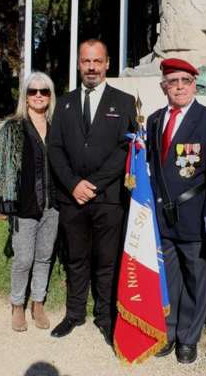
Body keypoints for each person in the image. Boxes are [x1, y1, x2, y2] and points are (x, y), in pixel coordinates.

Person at [48, 39, 137, 345]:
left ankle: (105, 316)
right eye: (86, 61)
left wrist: (94, 184)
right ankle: (74, 314)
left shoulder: (125, 102)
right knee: (75, 258)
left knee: (106, 261)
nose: (91, 67)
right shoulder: (65, 102)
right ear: (78, 64)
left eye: (97, 61)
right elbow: (55, 148)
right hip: (72, 199)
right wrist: (73, 184)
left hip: (108, 198)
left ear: (107, 63)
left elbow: (126, 148)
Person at [146, 58, 206, 364]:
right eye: (172, 82)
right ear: (163, 86)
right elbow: (151, 166)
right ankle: (168, 330)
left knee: (195, 278)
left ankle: (188, 338)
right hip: (163, 216)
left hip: (194, 214)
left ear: (195, 84)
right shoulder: (152, 120)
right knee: (169, 278)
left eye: (185, 81)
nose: (178, 87)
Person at [0, 71, 59, 332]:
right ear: (26, 96)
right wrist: (3, 205)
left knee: (44, 257)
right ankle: (17, 305)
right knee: (23, 259)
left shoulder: (58, 126)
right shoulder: (12, 128)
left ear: (51, 96)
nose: (38, 95)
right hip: (24, 206)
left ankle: (37, 303)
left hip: (53, 205)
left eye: (44, 91)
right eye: (33, 91)